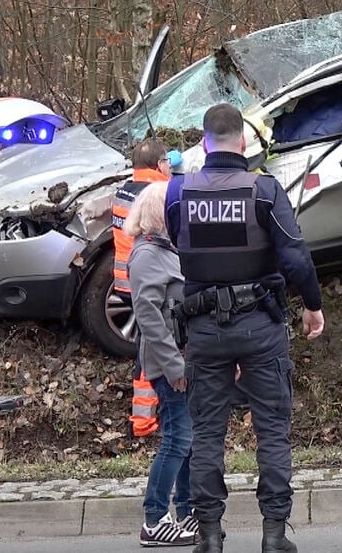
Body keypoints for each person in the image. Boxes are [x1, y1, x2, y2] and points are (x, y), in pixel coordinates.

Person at [165, 103, 325, 553]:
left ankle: (210, 535)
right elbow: (295, 256)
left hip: (203, 328)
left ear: (203, 142)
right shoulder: (264, 191)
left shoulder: (178, 193)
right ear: (243, 141)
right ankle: (274, 535)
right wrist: (313, 306)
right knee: (272, 429)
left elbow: (180, 246)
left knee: (207, 433)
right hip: (260, 324)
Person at [124, 181, 197, 547]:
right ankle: (154, 518)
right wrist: (174, 367)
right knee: (178, 438)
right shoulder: (148, 255)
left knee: (186, 440)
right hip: (169, 364)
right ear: (160, 212)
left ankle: (185, 514)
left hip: (179, 359)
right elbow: (149, 316)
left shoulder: (165, 250)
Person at [113, 138, 172, 439]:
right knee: (150, 353)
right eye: (168, 163)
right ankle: (144, 422)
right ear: (160, 164)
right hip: (148, 281)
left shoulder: (123, 190)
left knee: (147, 348)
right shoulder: (157, 195)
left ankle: (147, 418)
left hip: (123, 281)